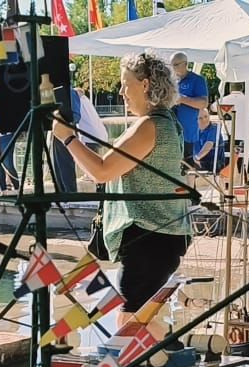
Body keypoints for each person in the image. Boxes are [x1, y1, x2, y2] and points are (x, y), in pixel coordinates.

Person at [54, 51, 191, 316]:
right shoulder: (166, 121)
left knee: (131, 324)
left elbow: (102, 171)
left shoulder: (150, 126)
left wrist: (68, 138)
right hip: (158, 238)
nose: (120, 92)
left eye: (125, 84)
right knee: (145, 320)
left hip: (150, 239)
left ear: (145, 85)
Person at [51, 87, 108, 193]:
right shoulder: (84, 100)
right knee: (95, 170)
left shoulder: (72, 95)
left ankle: (69, 190)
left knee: (92, 170)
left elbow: (75, 117)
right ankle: (99, 190)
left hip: (90, 136)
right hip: (99, 135)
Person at [170, 53, 210, 173]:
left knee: (187, 169)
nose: (173, 68)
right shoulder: (171, 81)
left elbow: (203, 103)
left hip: (187, 132)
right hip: (171, 131)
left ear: (186, 64)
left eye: (176, 64)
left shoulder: (197, 80)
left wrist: (182, 99)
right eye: (171, 65)